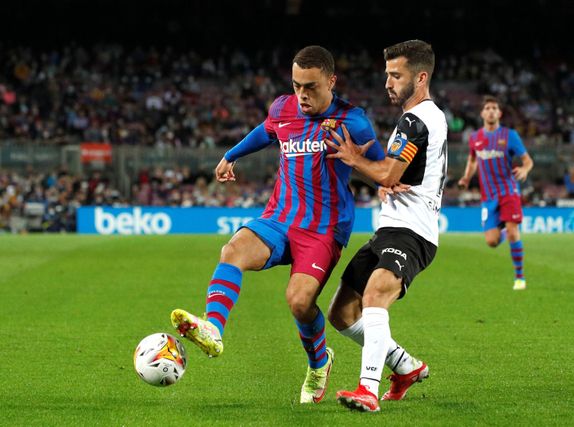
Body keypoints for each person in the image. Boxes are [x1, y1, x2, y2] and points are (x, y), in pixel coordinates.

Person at [170, 46, 386, 404]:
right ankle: (212, 327)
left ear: (332, 82)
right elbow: (265, 131)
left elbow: (382, 169)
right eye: (297, 85)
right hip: (279, 216)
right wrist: (230, 155)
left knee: (300, 302)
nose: (302, 94)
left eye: (311, 87)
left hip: (323, 228)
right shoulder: (283, 108)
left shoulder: (353, 122)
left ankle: (320, 362)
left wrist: (392, 196)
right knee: (233, 249)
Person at [323, 40, 447, 412]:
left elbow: (390, 171)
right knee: (342, 312)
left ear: (420, 77)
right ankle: (405, 367)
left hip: (413, 232)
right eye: (387, 75)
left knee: (375, 296)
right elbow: (396, 173)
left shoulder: (416, 119)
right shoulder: (421, 117)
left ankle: (367, 389)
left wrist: (353, 159)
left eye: (396, 75)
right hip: (391, 228)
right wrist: (380, 175)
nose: (388, 83)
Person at [458, 95, 533, 290]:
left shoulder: (510, 136)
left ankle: (520, 277)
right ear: (483, 113)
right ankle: (505, 228)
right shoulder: (475, 138)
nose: (491, 111)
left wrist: (524, 170)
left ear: (499, 113)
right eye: (488, 108)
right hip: (488, 197)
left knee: (513, 231)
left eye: (495, 108)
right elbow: (473, 160)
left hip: (508, 191)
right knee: (492, 241)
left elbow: (528, 160)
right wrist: (466, 177)